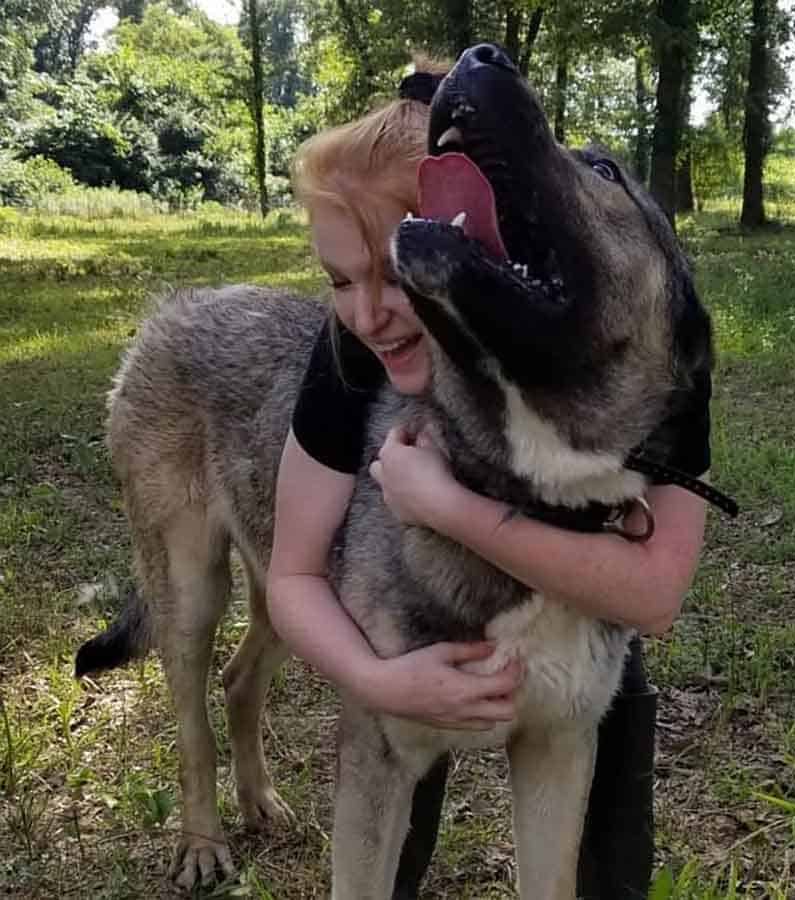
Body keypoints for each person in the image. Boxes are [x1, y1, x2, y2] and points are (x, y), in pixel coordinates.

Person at [266, 71, 711, 900]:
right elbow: (291, 572)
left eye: (395, 275)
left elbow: (653, 595)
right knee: (403, 750)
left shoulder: (640, 357)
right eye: (337, 281)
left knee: (606, 786)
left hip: (575, 584)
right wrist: (376, 682)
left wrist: (444, 506)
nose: (364, 315)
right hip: (429, 610)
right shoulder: (355, 353)